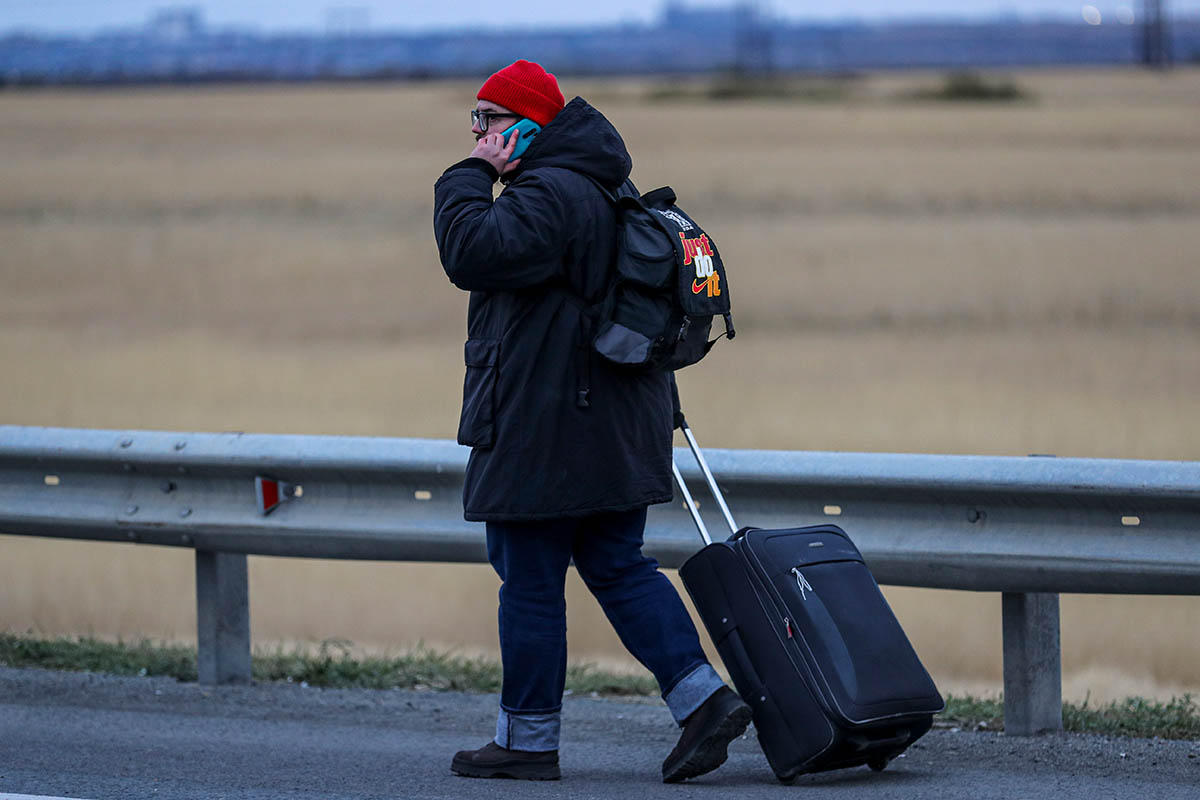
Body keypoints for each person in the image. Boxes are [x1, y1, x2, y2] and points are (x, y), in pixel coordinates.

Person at [433, 59, 751, 783]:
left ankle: (526, 743)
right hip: (615, 421)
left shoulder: (551, 190)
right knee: (616, 564)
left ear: (524, 127)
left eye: (486, 120)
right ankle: (703, 702)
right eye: (473, 124)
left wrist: (464, 175)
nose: (477, 133)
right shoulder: (605, 184)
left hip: (549, 428)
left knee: (530, 581)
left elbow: (472, 252)